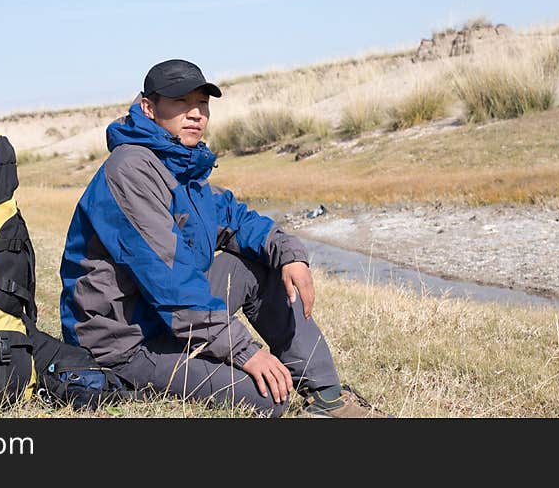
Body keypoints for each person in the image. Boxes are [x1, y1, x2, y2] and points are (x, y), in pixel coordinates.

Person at [59, 59, 389, 417]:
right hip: (124, 342)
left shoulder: (181, 165)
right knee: (268, 398)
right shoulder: (131, 169)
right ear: (148, 109)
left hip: (162, 320)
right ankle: (138, 384)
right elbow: (171, 282)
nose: (195, 114)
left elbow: (237, 220)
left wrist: (291, 254)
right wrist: (245, 351)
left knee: (253, 263)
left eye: (202, 104)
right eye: (181, 102)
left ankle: (327, 397)